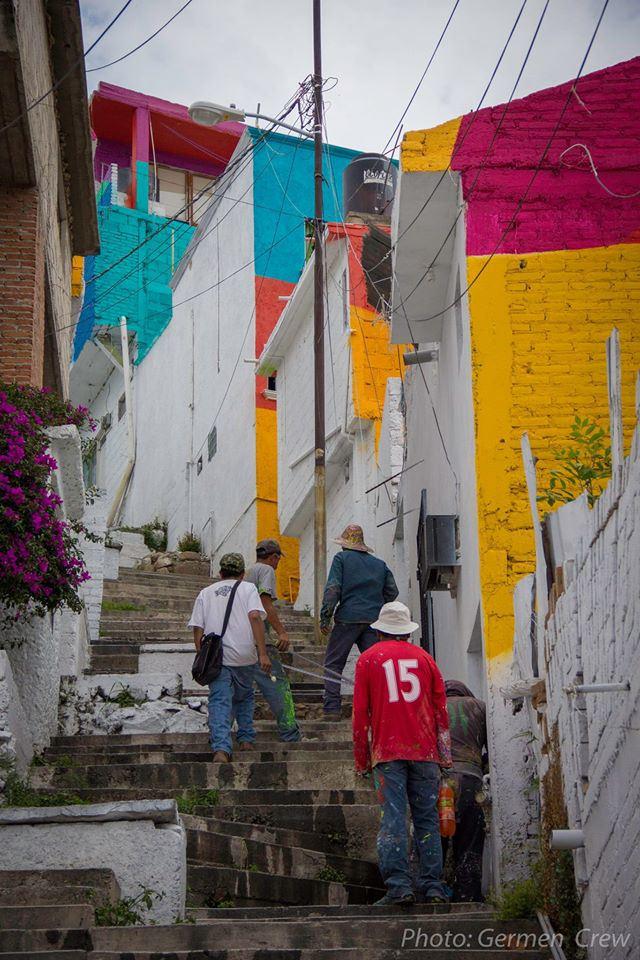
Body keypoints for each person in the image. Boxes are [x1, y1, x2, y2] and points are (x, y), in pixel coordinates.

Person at [352, 601, 452, 906]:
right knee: (427, 820)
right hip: (426, 752)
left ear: (380, 631)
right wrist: (445, 756)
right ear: (407, 633)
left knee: (393, 819)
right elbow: (441, 712)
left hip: (388, 752)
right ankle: (433, 887)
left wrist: (362, 759)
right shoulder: (426, 660)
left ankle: (399, 887)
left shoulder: (368, 661)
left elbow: (360, 715)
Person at [188, 552, 271, 763]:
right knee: (244, 696)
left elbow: (197, 627)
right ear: (242, 574)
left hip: (218, 657)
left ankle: (221, 750)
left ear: (220, 573)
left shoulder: (206, 592)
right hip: (245, 654)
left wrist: (202, 653)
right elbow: (255, 616)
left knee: (219, 701)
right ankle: (245, 739)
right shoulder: (248, 588)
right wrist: (262, 653)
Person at [320, 524, 399, 718]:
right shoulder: (379, 564)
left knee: (333, 663)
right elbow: (392, 591)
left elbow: (333, 589)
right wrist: (378, 606)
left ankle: (332, 708)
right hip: (374, 622)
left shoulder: (341, 559)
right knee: (378, 665)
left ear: (345, 545)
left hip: (347, 618)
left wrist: (325, 617)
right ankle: (382, 707)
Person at [245, 539, 301, 743]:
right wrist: (281, 632)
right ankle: (290, 734)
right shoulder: (266, 571)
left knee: (241, 688)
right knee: (278, 685)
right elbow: (265, 602)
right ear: (273, 557)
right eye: (278, 558)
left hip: (242, 641)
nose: (278, 563)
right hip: (259, 639)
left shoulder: (248, 572)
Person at [442, 680, 488, 902]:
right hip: (471, 779)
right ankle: (467, 896)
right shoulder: (479, 706)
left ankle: (431, 893)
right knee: (470, 838)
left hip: (438, 781)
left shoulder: (431, 705)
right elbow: (492, 747)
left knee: (434, 837)